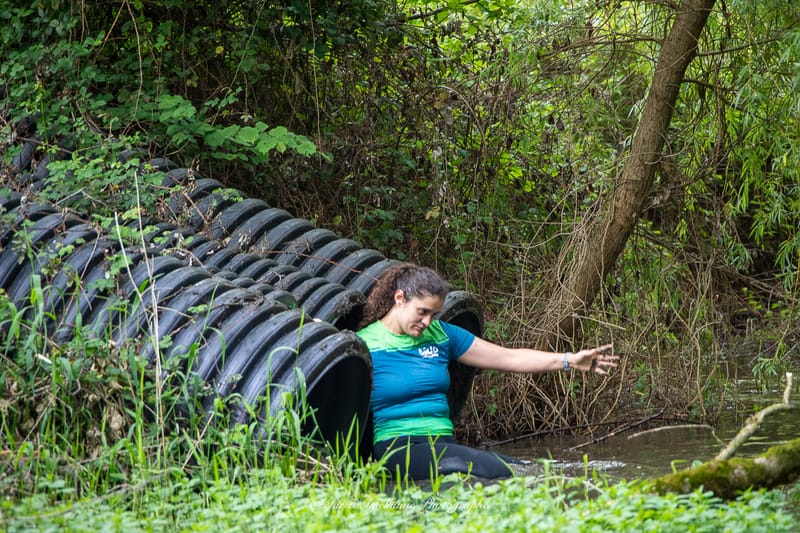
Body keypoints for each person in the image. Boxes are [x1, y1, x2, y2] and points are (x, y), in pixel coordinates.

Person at [356, 262, 618, 481]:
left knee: (533, 469)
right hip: (397, 447)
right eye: (422, 312)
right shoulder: (364, 343)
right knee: (494, 470)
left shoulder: (442, 335)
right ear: (399, 298)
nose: (427, 322)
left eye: (434, 315)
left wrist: (569, 360)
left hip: (442, 444)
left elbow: (510, 358)